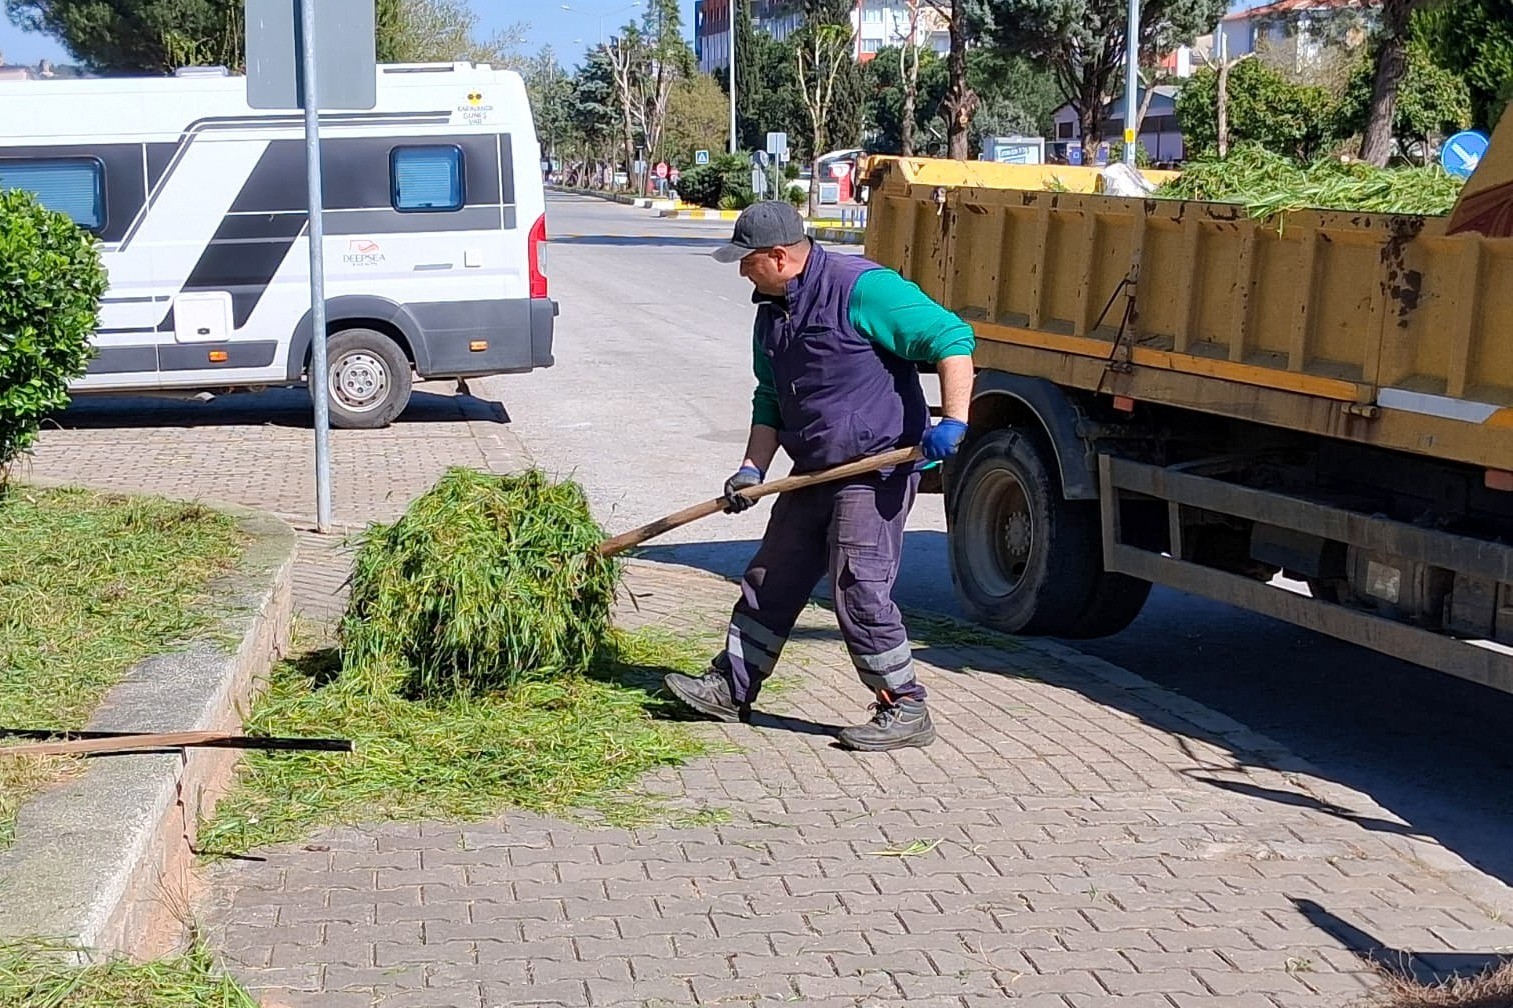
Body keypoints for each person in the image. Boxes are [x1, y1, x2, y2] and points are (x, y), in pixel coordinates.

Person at [662, 201, 976, 752]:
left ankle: (904, 705)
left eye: (747, 260)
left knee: (858, 585)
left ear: (779, 257)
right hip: (812, 470)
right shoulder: (772, 312)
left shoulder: (863, 288)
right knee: (770, 577)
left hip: (874, 468)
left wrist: (953, 421)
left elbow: (953, 340)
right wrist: (750, 468)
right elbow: (770, 399)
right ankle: (731, 688)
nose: (741, 272)